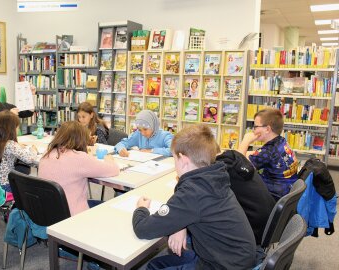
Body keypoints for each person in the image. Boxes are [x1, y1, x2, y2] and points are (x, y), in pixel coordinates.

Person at [132, 124, 256, 270]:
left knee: (152, 266)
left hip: (222, 265)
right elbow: (190, 205)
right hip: (237, 257)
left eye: (174, 159)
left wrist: (141, 209)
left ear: (183, 160)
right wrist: (180, 225)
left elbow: (144, 229)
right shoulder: (214, 177)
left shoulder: (192, 193)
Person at [38, 121, 120, 215]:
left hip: (49, 212)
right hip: (73, 216)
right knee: (110, 207)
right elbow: (114, 169)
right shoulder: (79, 158)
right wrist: (109, 159)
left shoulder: (46, 154)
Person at [238, 107, 298, 201]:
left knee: (237, 180)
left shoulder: (268, 151)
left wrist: (246, 140)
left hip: (272, 197)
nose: (253, 130)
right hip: (286, 191)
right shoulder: (281, 141)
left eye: (255, 126)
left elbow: (238, 164)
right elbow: (258, 154)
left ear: (267, 129)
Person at [0, 110, 38, 192]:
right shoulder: (10, 144)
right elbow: (30, 159)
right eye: (17, 127)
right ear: (12, 129)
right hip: (6, 186)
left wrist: (18, 146)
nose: (18, 129)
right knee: (26, 168)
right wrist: (34, 150)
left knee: (22, 167)